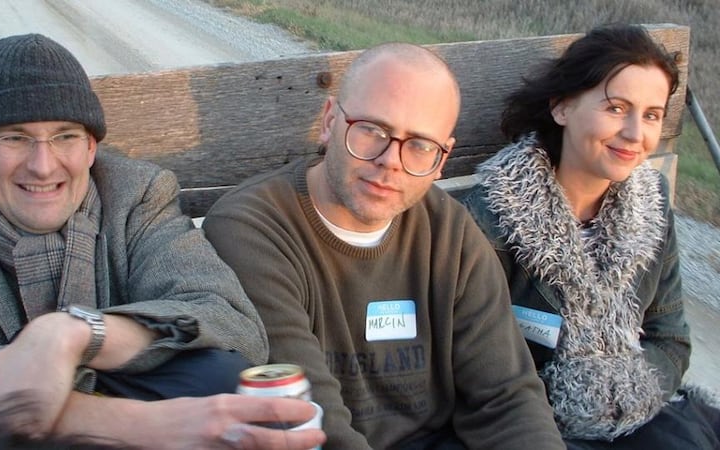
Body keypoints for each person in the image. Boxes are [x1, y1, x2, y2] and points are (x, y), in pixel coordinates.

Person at [0, 33, 325, 450]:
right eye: (14, 137)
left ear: (92, 147)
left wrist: (70, 335)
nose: (43, 166)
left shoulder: (135, 196)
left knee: (217, 374)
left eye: (65, 136)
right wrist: (135, 423)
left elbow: (232, 322)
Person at [203, 42, 566, 449]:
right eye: (373, 130)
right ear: (328, 122)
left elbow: (507, 396)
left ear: (442, 158)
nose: (390, 161)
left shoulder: (450, 232)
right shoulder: (252, 229)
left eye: (420, 145)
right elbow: (310, 418)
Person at [461, 24, 720, 449]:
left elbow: (670, 340)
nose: (636, 134)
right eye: (616, 108)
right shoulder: (488, 220)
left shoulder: (650, 204)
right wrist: (584, 402)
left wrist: (618, 396)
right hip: (534, 428)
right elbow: (480, 371)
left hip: (639, 412)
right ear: (561, 107)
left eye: (651, 115)